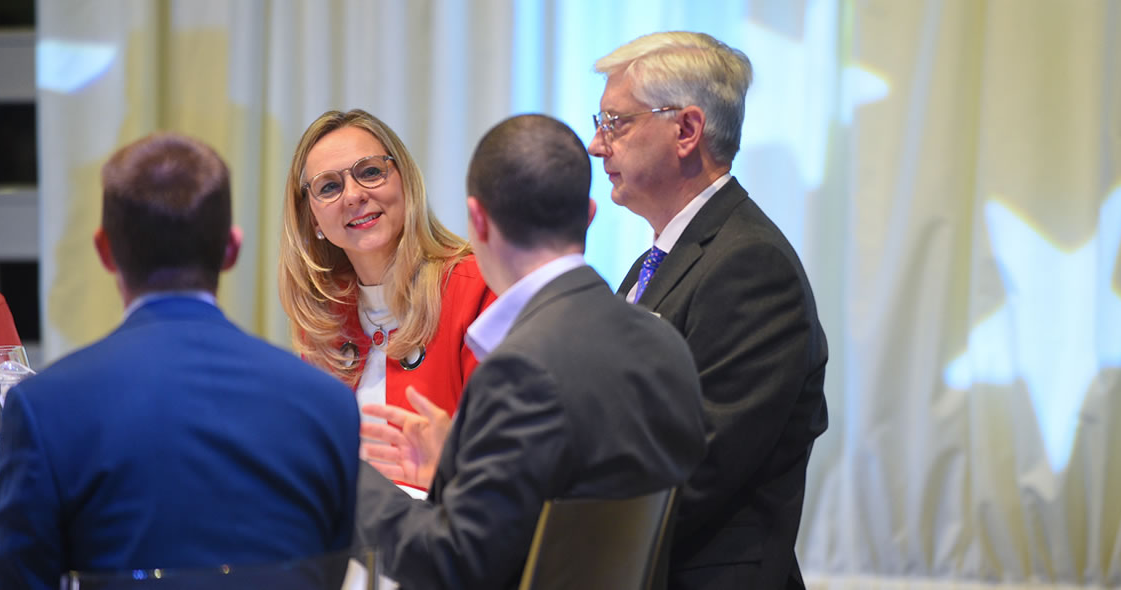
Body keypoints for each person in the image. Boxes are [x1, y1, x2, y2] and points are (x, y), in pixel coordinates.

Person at [354, 114, 707, 590]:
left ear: (477, 218)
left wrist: (348, 478)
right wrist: (453, 471)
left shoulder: (521, 369)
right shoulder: (665, 342)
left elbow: (454, 563)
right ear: (588, 214)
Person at [0, 133, 360, 590]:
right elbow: (329, 573)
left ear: (105, 251)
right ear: (232, 248)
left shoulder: (42, 408)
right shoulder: (328, 402)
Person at [587, 32, 830, 589]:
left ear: (686, 130)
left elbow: (696, 465)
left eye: (615, 123)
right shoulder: (668, 254)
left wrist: (538, 509)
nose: (598, 146)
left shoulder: (749, 265)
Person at [278, 109, 495, 488]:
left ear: (405, 182)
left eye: (370, 172)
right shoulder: (323, 321)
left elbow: (503, 459)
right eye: (329, 187)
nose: (354, 195)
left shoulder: (476, 287)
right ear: (313, 220)